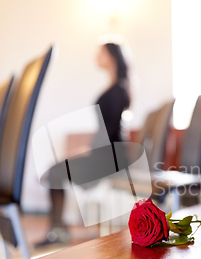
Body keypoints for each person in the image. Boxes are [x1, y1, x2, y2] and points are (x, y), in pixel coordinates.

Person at [35, 39, 131, 247]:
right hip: (107, 154)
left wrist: (88, 150)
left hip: (111, 158)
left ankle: (58, 230)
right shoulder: (117, 87)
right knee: (54, 171)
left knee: (54, 173)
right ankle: (58, 228)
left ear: (111, 56)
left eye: (101, 53)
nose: (97, 57)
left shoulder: (118, 89)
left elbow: (111, 131)